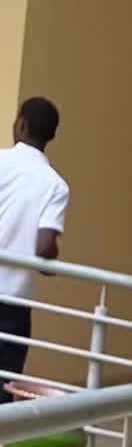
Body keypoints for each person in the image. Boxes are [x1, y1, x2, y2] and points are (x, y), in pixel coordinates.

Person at [0, 97, 68, 403]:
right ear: (51, 135)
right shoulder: (55, 186)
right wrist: (50, 259)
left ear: (21, 125)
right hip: (13, 305)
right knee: (3, 389)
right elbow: (44, 247)